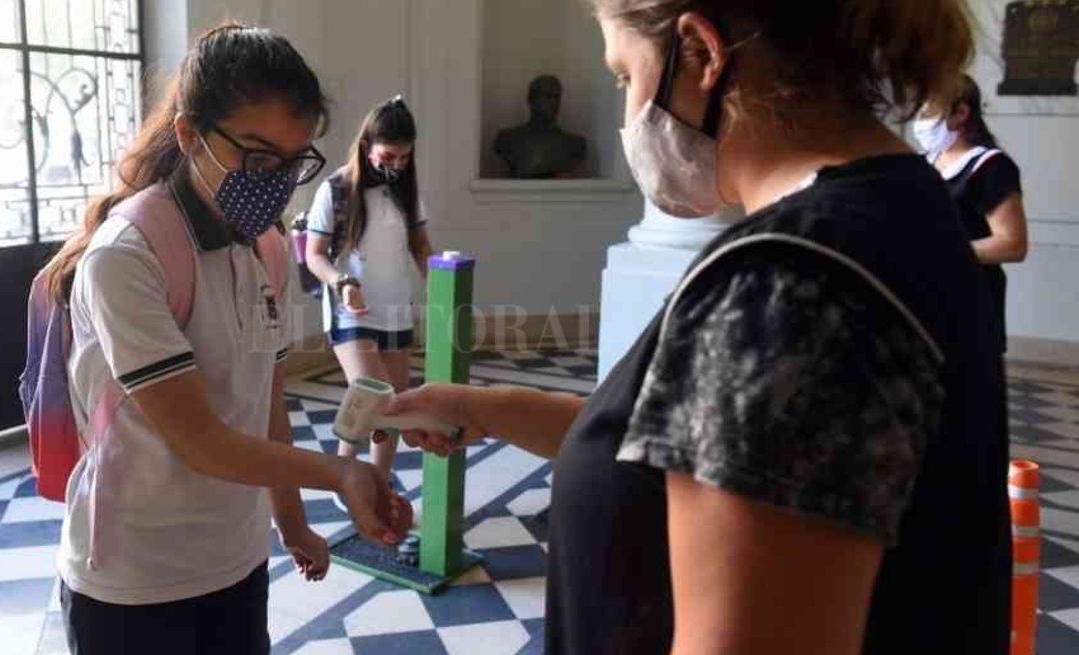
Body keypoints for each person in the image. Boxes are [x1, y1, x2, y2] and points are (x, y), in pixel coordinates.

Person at [390, 2, 1010, 654]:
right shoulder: (899, 208)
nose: (628, 112)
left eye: (626, 76)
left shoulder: (786, 287)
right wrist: (487, 409)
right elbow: (700, 443)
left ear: (701, 55)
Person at [40, 24, 410, 655]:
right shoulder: (127, 257)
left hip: (235, 563)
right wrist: (340, 474)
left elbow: (265, 408)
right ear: (189, 134)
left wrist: (291, 526)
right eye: (260, 157)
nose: (277, 181)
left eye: (294, 162)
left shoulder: (263, 245)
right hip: (136, 580)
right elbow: (201, 441)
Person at [304, 97, 434, 495]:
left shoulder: (406, 192)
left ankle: (377, 484)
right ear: (366, 146)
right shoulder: (337, 190)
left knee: (391, 410)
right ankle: (344, 479)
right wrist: (342, 281)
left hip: (396, 311)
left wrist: (444, 285)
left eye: (404, 157)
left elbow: (422, 248)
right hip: (352, 311)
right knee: (371, 399)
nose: (396, 164)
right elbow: (313, 255)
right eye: (388, 155)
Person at [916, 74, 1029, 349]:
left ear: (961, 113)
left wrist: (943, 251)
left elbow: (1012, 244)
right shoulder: (923, 165)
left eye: (927, 113)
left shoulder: (990, 166)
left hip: (971, 299)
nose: (920, 123)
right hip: (927, 299)